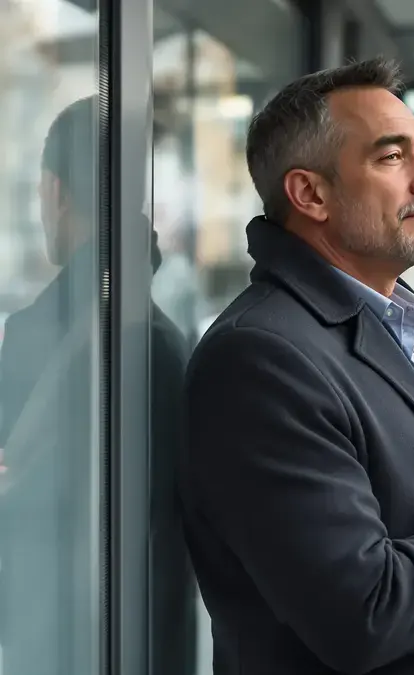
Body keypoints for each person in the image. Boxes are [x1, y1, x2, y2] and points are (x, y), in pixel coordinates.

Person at [179, 58, 414, 675]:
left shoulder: (408, 327)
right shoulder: (261, 357)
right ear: (310, 194)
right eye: (391, 157)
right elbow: (365, 612)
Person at [0, 96, 195, 675]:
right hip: (146, 642)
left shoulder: (49, 333)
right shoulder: (155, 332)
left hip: (57, 645)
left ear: (56, 193)